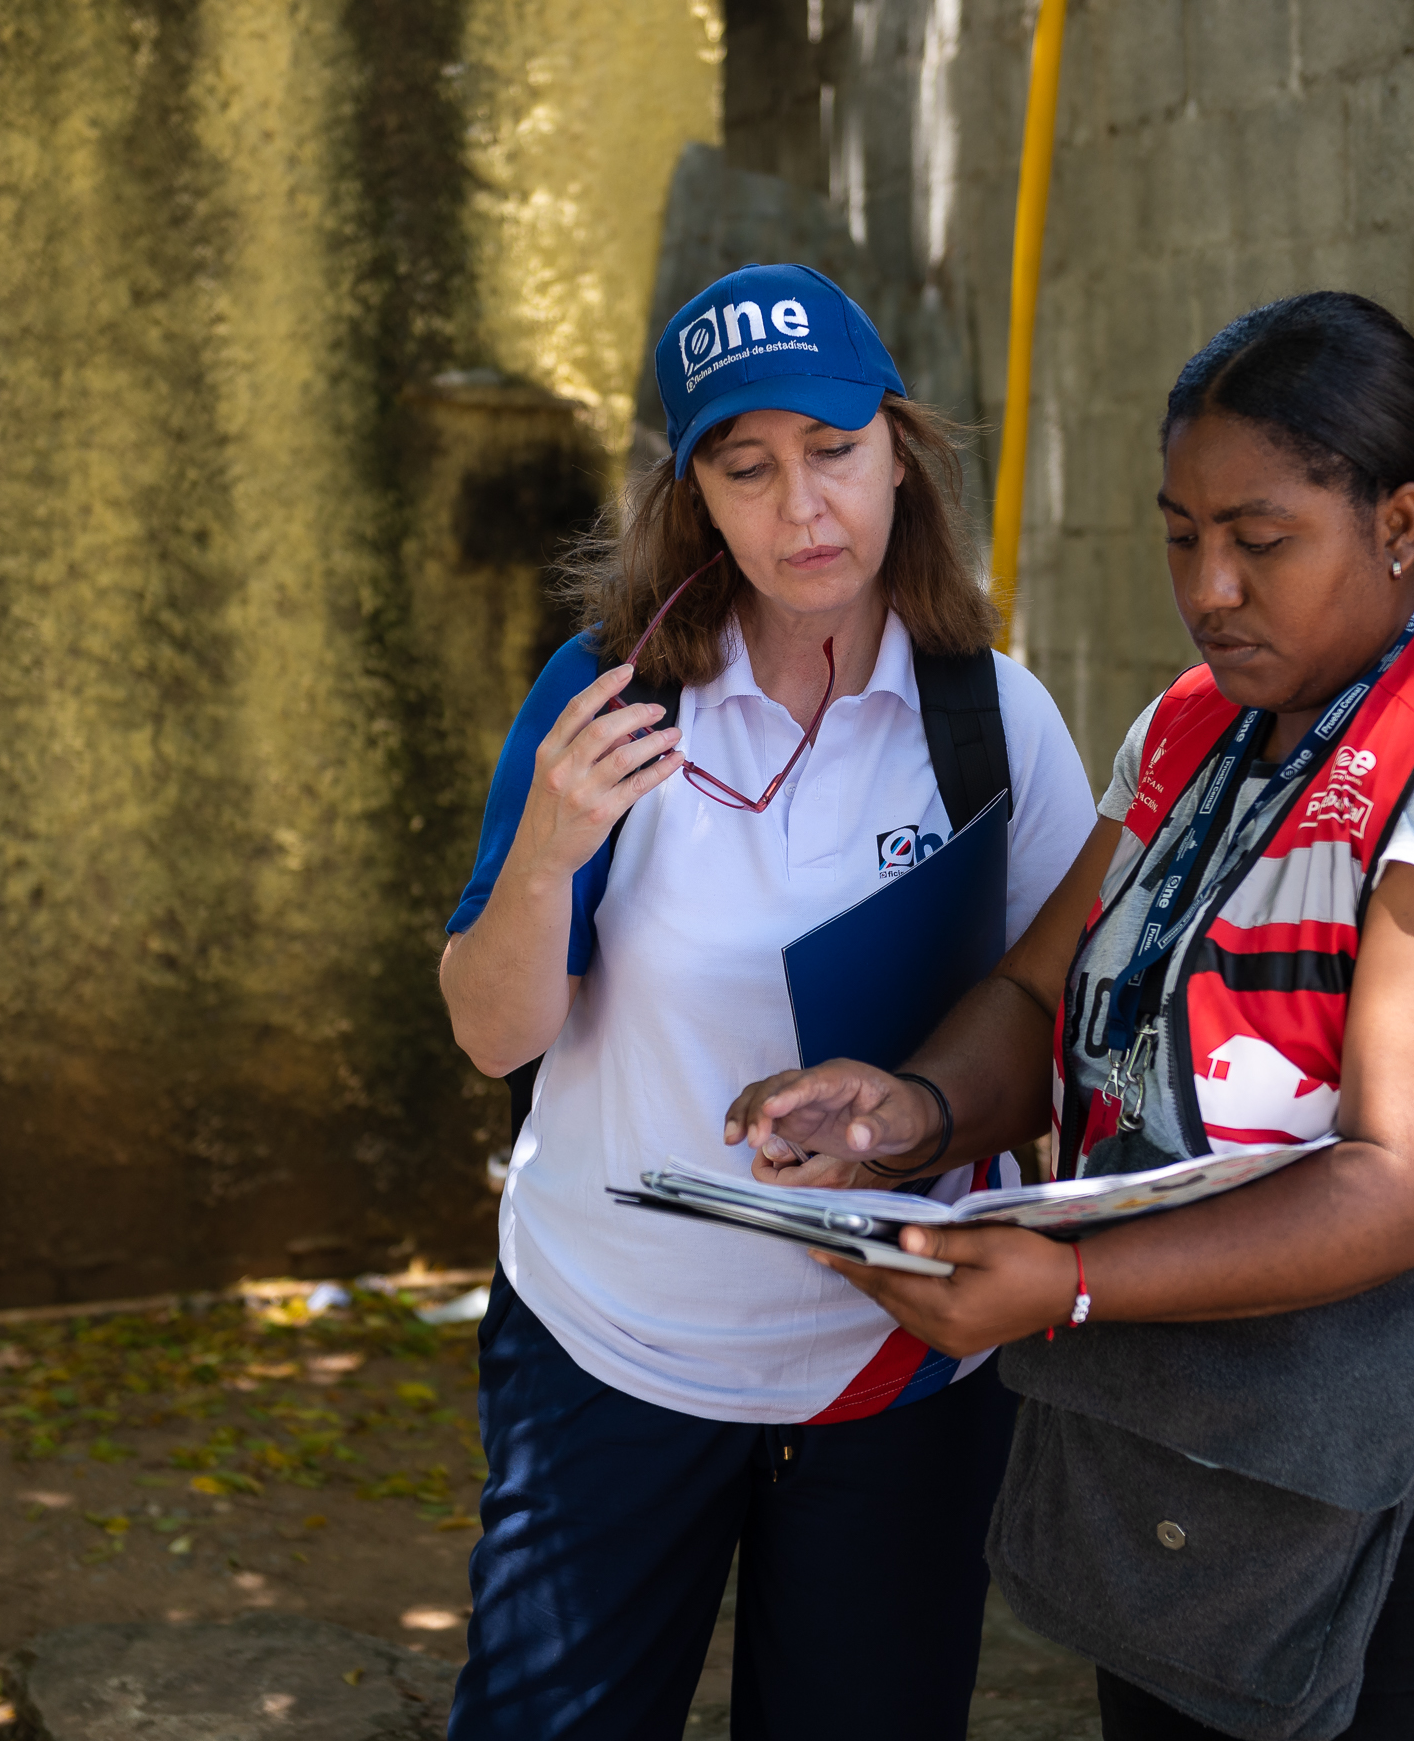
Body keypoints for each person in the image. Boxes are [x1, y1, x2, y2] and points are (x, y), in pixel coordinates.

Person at [726, 290, 1414, 1741]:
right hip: (1204, 1405)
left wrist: (1071, 1285)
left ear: (1399, 524)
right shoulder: (1188, 731)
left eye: (1260, 540)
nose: (1210, 587)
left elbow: (1413, 1181)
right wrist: (904, 1109)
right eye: (1181, 536)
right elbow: (1040, 990)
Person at [437, 263, 1096, 1740]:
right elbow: (492, 1032)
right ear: (694, 500)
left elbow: (1053, 1009)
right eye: (748, 468)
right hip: (612, 1346)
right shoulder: (607, 699)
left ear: (897, 457)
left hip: (892, 1364)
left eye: (833, 454)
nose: (802, 508)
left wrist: (919, 1118)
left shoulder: (989, 715)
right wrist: (547, 852)